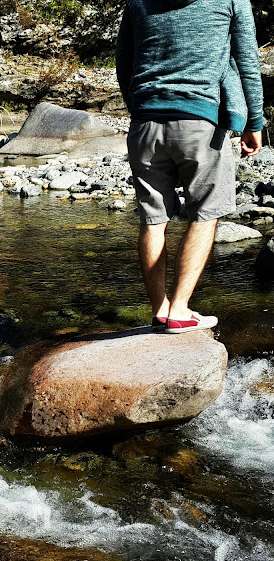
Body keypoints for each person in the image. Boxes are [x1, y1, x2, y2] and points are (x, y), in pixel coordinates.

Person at [116, 0, 263, 333]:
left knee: (153, 218)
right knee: (206, 213)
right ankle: (179, 311)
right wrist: (254, 121)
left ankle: (160, 310)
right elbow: (247, 62)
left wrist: (139, 106)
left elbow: (124, 61)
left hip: (145, 123)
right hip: (201, 122)